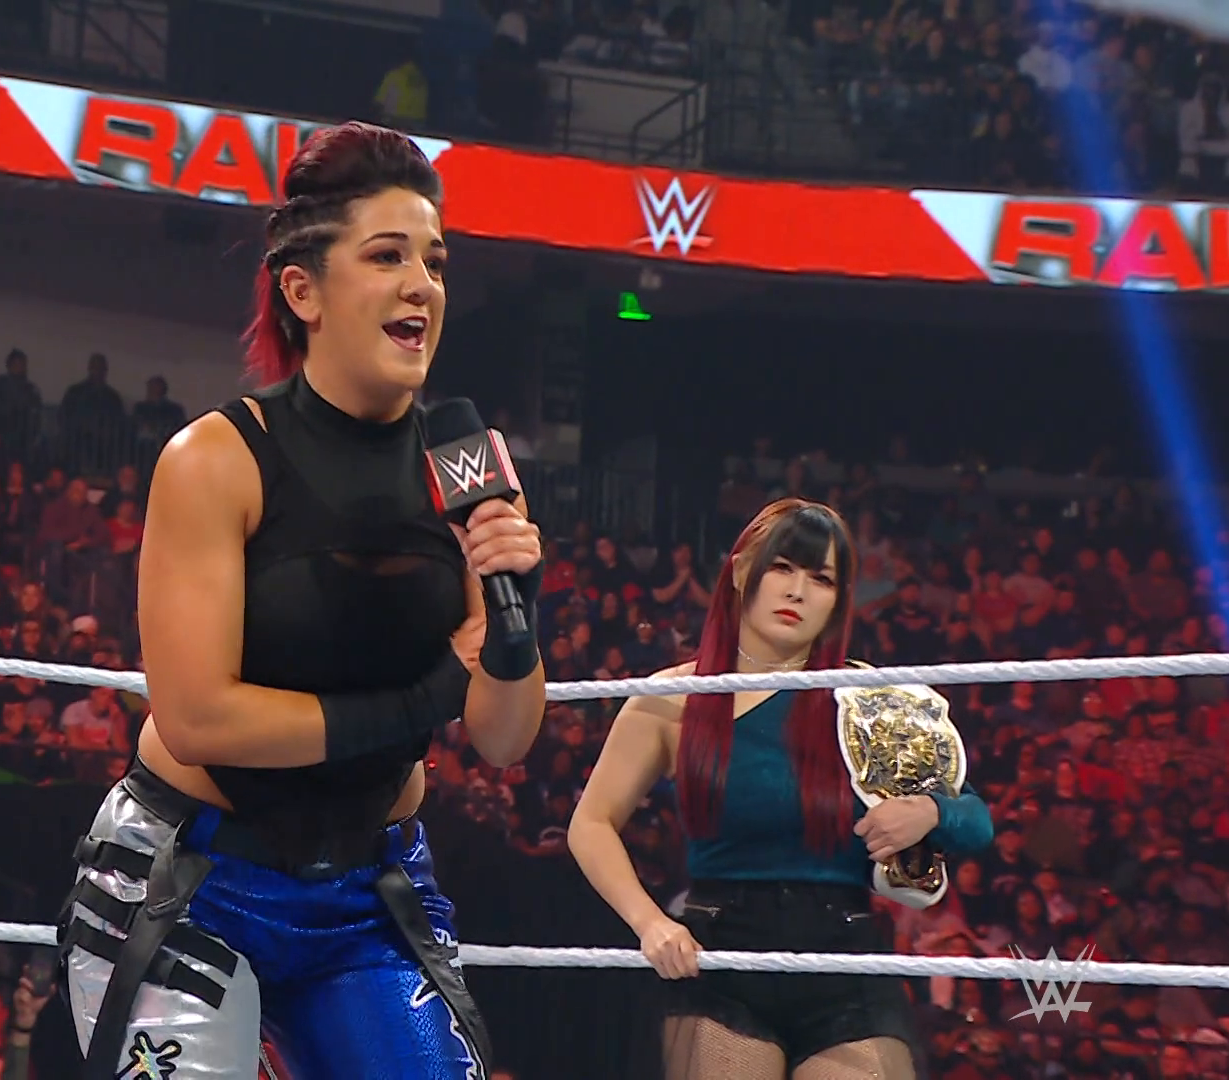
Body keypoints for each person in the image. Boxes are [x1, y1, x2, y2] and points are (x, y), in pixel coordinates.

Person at [60, 122, 546, 1079]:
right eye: (388, 256)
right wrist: (426, 697)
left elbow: (503, 737)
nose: (422, 284)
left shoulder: (468, 468)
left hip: (368, 891)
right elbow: (198, 717)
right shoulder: (216, 458)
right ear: (302, 291)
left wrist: (516, 623)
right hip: (191, 876)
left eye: (435, 262)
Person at [567, 499, 994, 1080]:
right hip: (721, 961)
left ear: (839, 599)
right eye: (783, 568)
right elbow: (591, 824)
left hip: (845, 960)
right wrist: (650, 923)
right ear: (742, 571)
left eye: (821, 579)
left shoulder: (870, 698)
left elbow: (977, 821)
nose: (797, 591)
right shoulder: (673, 697)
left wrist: (929, 812)